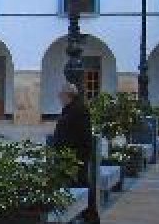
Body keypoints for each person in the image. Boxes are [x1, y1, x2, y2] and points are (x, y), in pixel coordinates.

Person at [52, 81, 99, 224]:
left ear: (68, 95)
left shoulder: (78, 110)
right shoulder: (72, 108)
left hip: (76, 156)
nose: (59, 97)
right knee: (77, 185)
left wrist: (77, 155)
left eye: (61, 95)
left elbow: (81, 135)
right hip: (70, 155)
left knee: (81, 185)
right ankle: (84, 214)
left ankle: (89, 216)